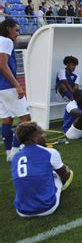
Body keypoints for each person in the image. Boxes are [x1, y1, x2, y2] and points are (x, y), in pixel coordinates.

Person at [11, 122, 73, 217]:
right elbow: (65, 175)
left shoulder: (16, 157)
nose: (44, 136)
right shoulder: (50, 152)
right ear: (34, 137)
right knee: (65, 172)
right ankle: (57, 190)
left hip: (22, 210)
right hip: (47, 207)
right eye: (41, 133)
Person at [0, 19, 31, 162]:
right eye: (16, 30)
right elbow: (3, 65)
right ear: (8, 28)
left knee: (7, 120)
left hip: (1, 88)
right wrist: (17, 85)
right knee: (26, 119)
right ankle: (14, 151)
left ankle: (8, 154)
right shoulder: (6, 41)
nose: (17, 33)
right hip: (8, 86)